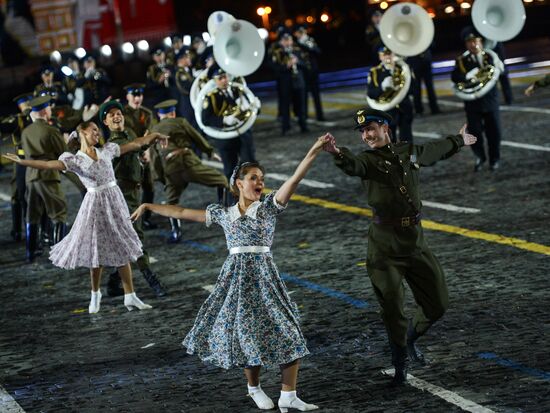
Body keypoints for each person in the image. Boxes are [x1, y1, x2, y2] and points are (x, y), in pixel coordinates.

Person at [130, 136, 331, 412]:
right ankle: (254, 388)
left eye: (261, 178)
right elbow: (181, 210)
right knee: (248, 335)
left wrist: (313, 150)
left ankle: (289, 394)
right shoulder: (224, 215)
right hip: (237, 278)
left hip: (266, 275)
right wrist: (149, 206)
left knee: (289, 331)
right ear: (238, 183)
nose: (259, 182)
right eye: (253, 178)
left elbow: (294, 179)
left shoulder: (269, 208)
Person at [323, 108, 477, 386]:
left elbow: (431, 151)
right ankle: (400, 365)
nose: (367, 135)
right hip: (384, 248)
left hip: (415, 241)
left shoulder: (407, 152)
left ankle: (408, 341)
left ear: (385, 127)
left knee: (438, 304)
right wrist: (337, 153)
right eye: (363, 132)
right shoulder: (367, 161)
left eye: (371, 128)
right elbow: (353, 166)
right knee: (393, 308)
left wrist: (458, 140)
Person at [3, 121, 167, 313]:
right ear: (82, 133)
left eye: (98, 130)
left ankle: (130, 296)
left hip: (115, 203)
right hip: (95, 206)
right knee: (95, 250)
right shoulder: (75, 160)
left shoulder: (106, 150)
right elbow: (48, 164)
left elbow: (135, 144)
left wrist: (154, 135)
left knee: (122, 245)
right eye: (94, 130)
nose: (98, 133)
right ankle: (95, 294)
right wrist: (22, 162)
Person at [99, 100, 167, 297]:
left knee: (124, 239)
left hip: (133, 193)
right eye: (110, 115)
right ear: (105, 122)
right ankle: (150, 278)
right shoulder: (113, 143)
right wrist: (151, 138)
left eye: (118, 112)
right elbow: (137, 145)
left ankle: (113, 281)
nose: (116, 116)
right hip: (122, 195)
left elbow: (137, 149)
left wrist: (142, 156)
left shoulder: (128, 133)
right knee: (136, 236)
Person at [151, 99, 228, 243]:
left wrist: (163, 178)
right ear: (173, 113)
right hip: (189, 163)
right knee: (222, 181)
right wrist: (210, 152)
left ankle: (176, 232)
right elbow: (196, 137)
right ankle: (224, 217)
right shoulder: (180, 122)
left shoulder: (154, 130)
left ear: (159, 115)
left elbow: (154, 158)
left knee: (171, 202)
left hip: (171, 169)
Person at [21, 96, 69, 262]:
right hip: (48, 176)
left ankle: (30, 252)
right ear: (44, 110)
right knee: (59, 212)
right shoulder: (50, 130)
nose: (50, 111)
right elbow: (63, 153)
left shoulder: (26, 132)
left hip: (31, 176)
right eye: (48, 108)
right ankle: (59, 253)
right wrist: (67, 142)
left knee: (32, 214)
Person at [451, 28, 503, 172]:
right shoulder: (462, 61)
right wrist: (468, 76)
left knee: (495, 132)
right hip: (472, 104)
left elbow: (497, 72)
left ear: (480, 41)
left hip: (490, 101)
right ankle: (480, 157)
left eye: (475, 41)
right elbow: (455, 77)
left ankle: (495, 159)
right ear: (466, 44)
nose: (473, 44)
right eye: (469, 42)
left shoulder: (490, 56)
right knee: (474, 133)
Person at [201, 65, 256, 183]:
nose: (224, 80)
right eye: (220, 78)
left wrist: (256, 106)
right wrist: (224, 120)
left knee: (250, 165)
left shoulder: (238, 90)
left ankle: (254, 196)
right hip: (225, 138)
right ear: (214, 81)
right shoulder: (211, 97)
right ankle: (232, 200)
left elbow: (252, 109)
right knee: (230, 171)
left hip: (243, 134)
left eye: (225, 76)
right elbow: (205, 119)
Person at [122, 83, 157, 230]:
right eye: (134, 95)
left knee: (149, 187)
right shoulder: (122, 114)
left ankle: (145, 219)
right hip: (129, 157)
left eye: (139, 95)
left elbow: (151, 133)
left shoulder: (147, 113)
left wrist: (147, 151)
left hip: (144, 155)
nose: (137, 98)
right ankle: (127, 220)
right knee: (130, 190)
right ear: (128, 97)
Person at [367, 47, 414, 142]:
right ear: (380, 57)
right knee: (389, 142)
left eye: (389, 54)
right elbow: (371, 93)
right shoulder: (374, 72)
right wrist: (382, 87)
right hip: (387, 113)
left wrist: (402, 87)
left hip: (404, 109)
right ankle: (392, 157)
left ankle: (410, 158)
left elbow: (414, 88)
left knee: (407, 141)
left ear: (393, 55)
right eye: (384, 55)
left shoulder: (404, 69)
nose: (387, 57)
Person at [269, 31, 308, 135]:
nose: (287, 42)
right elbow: (273, 67)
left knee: (301, 105)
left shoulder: (297, 50)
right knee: (285, 106)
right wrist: (286, 66)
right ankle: (285, 128)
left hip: (299, 82)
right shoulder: (277, 52)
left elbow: (306, 64)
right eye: (285, 40)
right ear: (281, 41)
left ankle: (303, 125)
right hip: (285, 83)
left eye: (289, 39)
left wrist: (297, 61)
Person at [293, 25, 325, 122]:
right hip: (303, 72)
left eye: (298, 33)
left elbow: (317, 51)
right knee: (303, 96)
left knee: (316, 95)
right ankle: (304, 116)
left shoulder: (309, 40)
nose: (296, 34)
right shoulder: (295, 44)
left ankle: (320, 116)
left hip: (313, 71)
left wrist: (305, 44)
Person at [407, 46, 441, 115]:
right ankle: (418, 110)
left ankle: (434, 108)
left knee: (430, 87)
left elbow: (432, 43)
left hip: (426, 60)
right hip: (414, 61)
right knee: (416, 88)